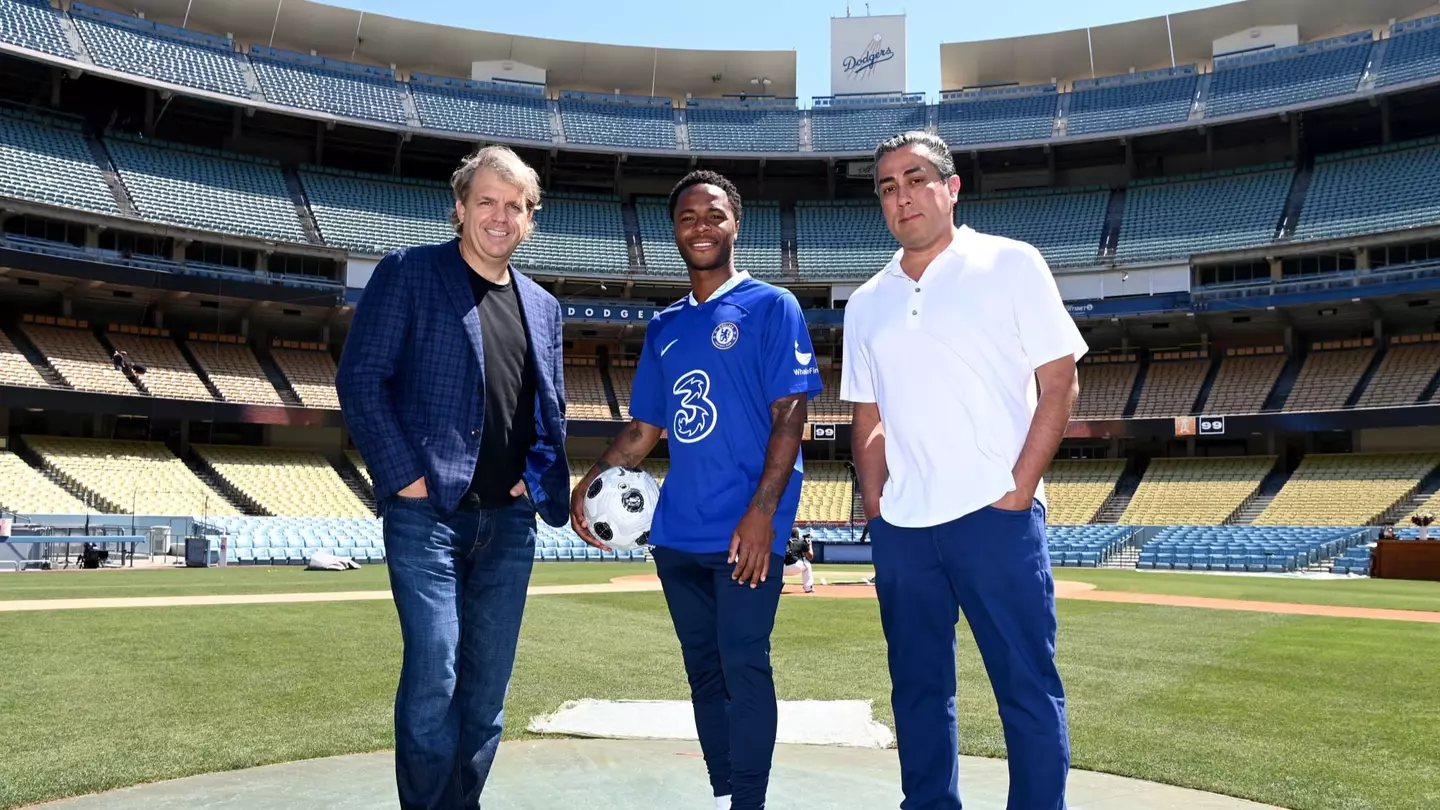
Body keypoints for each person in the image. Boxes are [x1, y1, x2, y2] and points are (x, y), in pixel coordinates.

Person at [840, 131, 1088, 810]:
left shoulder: (1011, 264)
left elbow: (1059, 380)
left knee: (1025, 689)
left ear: (951, 188)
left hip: (994, 517)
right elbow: (868, 418)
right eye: (887, 186)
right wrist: (876, 510)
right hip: (907, 529)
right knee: (918, 692)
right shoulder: (866, 301)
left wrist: (1018, 491)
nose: (902, 196)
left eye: (916, 178)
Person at [570, 170, 822, 810]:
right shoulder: (665, 327)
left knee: (744, 664)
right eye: (687, 217)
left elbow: (791, 414)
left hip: (745, 533)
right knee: (705, 672)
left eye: (714, 214)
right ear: (674, 233)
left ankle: (749, 801)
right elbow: (645, 429)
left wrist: (763, 516)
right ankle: (722, 792)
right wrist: (590, 483)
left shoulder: (771, 306)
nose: (701, 226)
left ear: (736, 224)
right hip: (677, 533)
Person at [335, 145, 570, 810]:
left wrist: (534, 475)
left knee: (487, 692)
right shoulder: (409, 273)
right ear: (461, 207)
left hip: (509, 526)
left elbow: (545, 410)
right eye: (488, 201)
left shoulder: (544, 307)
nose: (501, 216)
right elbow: (360, 379)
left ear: (531, 219)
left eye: (516, 206)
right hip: (426, 517)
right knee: (435, 679)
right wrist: (404, 478)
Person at [783, 528, 814, 593]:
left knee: (775, 564)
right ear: (797, 534)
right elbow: (810, 557)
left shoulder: (782, 541)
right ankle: (808, 588)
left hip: (782, 569)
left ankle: (778, 586)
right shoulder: (801, 541)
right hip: (796, 567)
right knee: (807, 565)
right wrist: (809, 546)